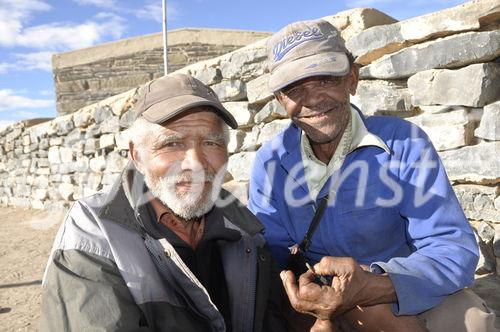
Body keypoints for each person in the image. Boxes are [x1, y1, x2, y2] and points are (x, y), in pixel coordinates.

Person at [248, 19, 497, 331]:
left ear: (352, 78)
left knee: (472, 322)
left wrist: (374, 284)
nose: (312, 99)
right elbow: (271, 259)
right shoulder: (271, 163)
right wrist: (318, 312)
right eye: (295, 88)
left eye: (326, 80)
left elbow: (452, 249)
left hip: (399, 289)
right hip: (314, 303)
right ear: (280, 100)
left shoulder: (405, 144)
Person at [41, 73, 287, 331]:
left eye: (211, 142)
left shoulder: (245, 231)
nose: (197, 163)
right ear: (137, 155)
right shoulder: (95, 232)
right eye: (172, 143)